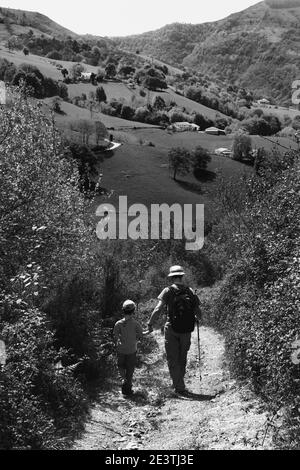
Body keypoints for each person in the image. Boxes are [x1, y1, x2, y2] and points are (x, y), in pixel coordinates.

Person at [146, 266, 201, 395]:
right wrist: (197, 319)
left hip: (171, 328)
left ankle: (179, 386)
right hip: (186, 330)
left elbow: (158, 309)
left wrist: (150, 323)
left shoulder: (167, 291)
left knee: (172, 358)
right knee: (182, 357)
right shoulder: (190, 291)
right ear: (182, 276)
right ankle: (179, 382)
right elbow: (198, 311)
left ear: (171, 277)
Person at [113, 300, 144, 396]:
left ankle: (122, 379)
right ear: (133, 311)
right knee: (130, 370)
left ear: (123, 310)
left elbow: (115, 336)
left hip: (121, 350)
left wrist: (119, 341)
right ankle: (128, 390)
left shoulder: (118, 323)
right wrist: (149, 331)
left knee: (120, 366)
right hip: (132, 350)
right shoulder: (136, 323)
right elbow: (141, 335)